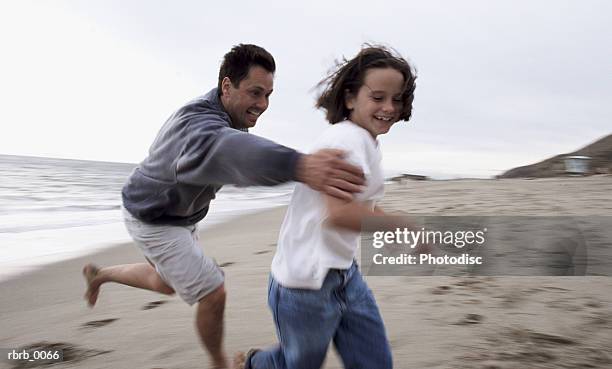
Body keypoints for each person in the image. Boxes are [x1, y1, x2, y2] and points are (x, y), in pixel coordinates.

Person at [82, 44, 365, 369]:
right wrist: (299, 165)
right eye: (255, 93)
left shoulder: (226, 108)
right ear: (227, 86)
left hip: (174, 213)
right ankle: (220, 363)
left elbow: (236, 148)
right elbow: (228, 149)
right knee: (212, 291)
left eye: (268, 95)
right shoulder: (199, 127)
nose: (262, 104)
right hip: (153, 219)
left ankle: (99, 275)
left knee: (165, 283)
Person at [234, 45, 417, 369]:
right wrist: (400, 226)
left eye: (397, 98)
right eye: (377, 97)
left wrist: (399, 227)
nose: (389, 106)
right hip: (303, 286)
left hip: (344, 275)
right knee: (296, 364)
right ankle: (252, 364)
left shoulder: (366, 141)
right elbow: (341, 214)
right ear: (350, 99)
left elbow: (360, 207)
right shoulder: (346, 141)